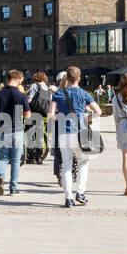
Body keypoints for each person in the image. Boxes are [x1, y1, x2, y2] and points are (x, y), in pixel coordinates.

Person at [51, 66, 101, 208]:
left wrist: (60, 118)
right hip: (80, 133)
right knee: (83, 164)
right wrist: (87, 119)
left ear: (66, 78)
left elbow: (50, 115)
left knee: (66, 166)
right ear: (79, 79)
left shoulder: (58, 94)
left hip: (64, 134)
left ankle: (68, 198)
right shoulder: (84, 94)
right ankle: (80, 192)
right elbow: (98, 111)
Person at [0, 69, 31, 196]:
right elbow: (27, 115)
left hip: (1, 130)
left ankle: (0, 177)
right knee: (15, 160)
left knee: (2, 158)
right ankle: (13, 188)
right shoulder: (22, 96)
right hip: (16, 131)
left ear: (7, 79)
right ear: (18, 80)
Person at [24, 72, 52, 165]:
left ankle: (31, 157)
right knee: (39, 135)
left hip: (32, 113)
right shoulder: (47, 89)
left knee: (30, 135)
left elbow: (29, 99)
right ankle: (39, 157)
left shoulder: (34, 86)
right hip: (41, 114)